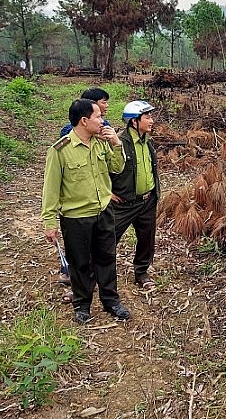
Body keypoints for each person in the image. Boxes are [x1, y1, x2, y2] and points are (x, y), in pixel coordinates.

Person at [42, 98, 132, 324]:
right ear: (84, 121)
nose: (102, 120)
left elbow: (117, 168)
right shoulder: (60, 150)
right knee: (80, 262)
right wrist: (49, 223)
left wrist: (116, 144)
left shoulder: (102, 142)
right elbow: (50, 190)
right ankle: (82, 304)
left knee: (107, 259)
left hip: (103, 212)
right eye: (98, 117)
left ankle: (111, 300)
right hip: (76, 218)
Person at [110, 101, 161, 289]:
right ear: (134, 122)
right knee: (108, 239)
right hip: (124, 203)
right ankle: (88, 277)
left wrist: (154, 193)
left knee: (147, 238)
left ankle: (141, 272)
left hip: (147, 201)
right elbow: (103, 169)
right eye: (147, 117)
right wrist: (107, 192)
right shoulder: (119, 142)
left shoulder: (148, 142)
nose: (151, 121)